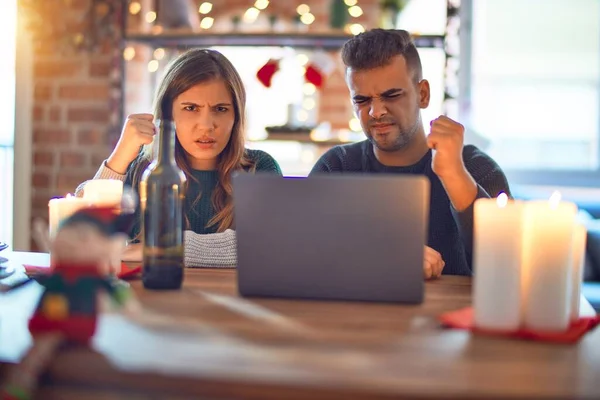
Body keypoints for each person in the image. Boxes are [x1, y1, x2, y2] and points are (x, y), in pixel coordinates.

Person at [310, 29, 510, 278]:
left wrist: (454, 174)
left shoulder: (476, 167)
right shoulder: (336, 167)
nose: (376, 111)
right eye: (362, 100)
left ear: (423, 94)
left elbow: (506, 265)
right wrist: (388, 255)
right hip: (356, 316)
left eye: (391, 95)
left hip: (451, 316)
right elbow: (307, 256)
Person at [76, 48, 282, 267]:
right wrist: (120, 157)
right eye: (191, 108)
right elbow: (80, 235)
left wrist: (161, 248)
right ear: (167, 114)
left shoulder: (260, 168)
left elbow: (268, 244)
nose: (206, 125)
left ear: (236, 117)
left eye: (220, 109)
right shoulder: (142, 170)